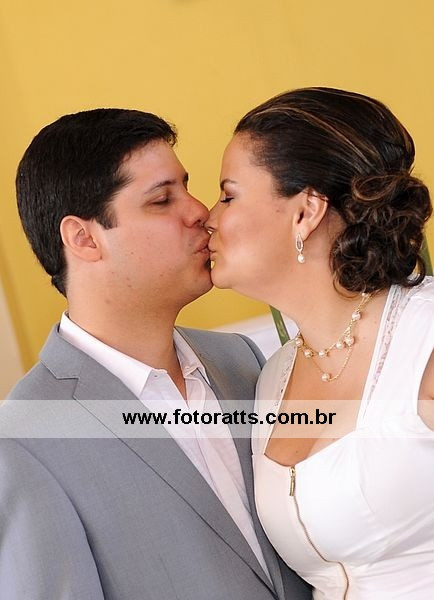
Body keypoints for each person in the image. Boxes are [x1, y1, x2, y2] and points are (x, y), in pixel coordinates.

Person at [1, 109, 311, 600]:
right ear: (83, 238)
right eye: (162, 200)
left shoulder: (242, 362)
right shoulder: (23, 441)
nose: (201, 212)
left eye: (187, 188)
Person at [206, 87, 434, 599]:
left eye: (228, 195)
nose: (209, 218)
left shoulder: (426, 339)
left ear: (306, 211)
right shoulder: (273, 376)